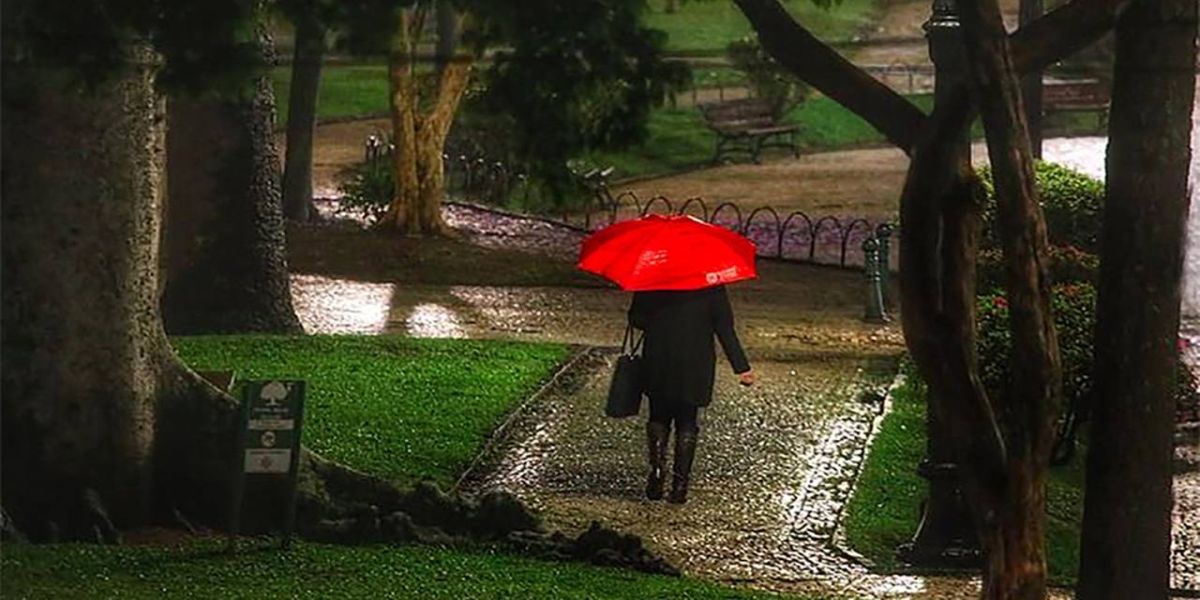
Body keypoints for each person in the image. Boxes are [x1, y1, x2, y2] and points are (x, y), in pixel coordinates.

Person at [627, 284, 754, 504]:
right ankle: (680, 485)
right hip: (695, 360)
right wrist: (741, 366)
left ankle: (657, 472)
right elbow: (724, 327)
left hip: (659, 355)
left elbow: (636, 318)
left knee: (658, 415)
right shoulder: (711, 285)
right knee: (687, 419)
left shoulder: (653, 279)